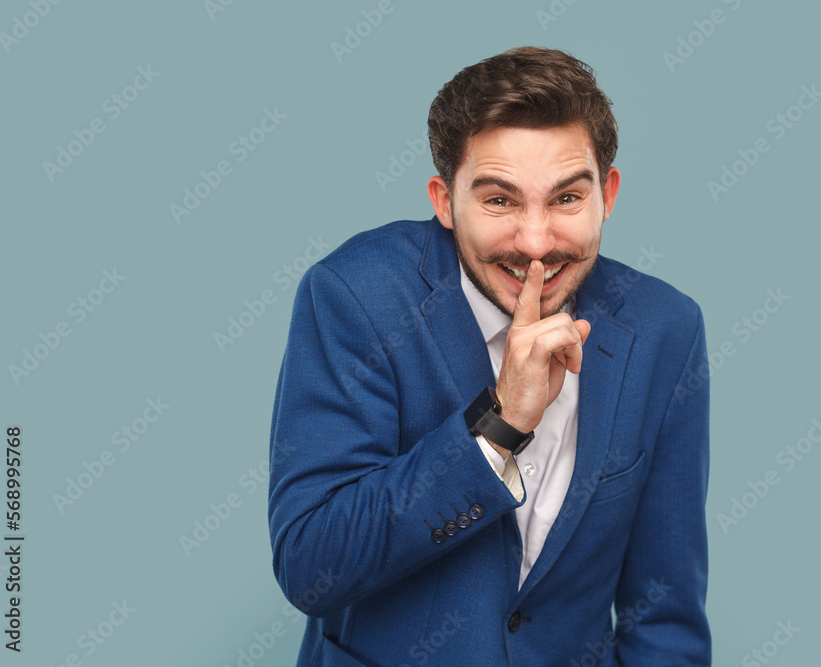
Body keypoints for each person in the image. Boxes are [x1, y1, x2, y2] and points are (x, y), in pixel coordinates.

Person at [268, 46, 712, 666]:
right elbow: (311, 561)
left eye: (566, 199)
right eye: (499, 200)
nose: (536, 242)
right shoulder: (355, 297)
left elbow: (665, 617)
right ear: (445, 201)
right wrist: (499, 425)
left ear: (606, 194)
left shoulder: (666, 329)